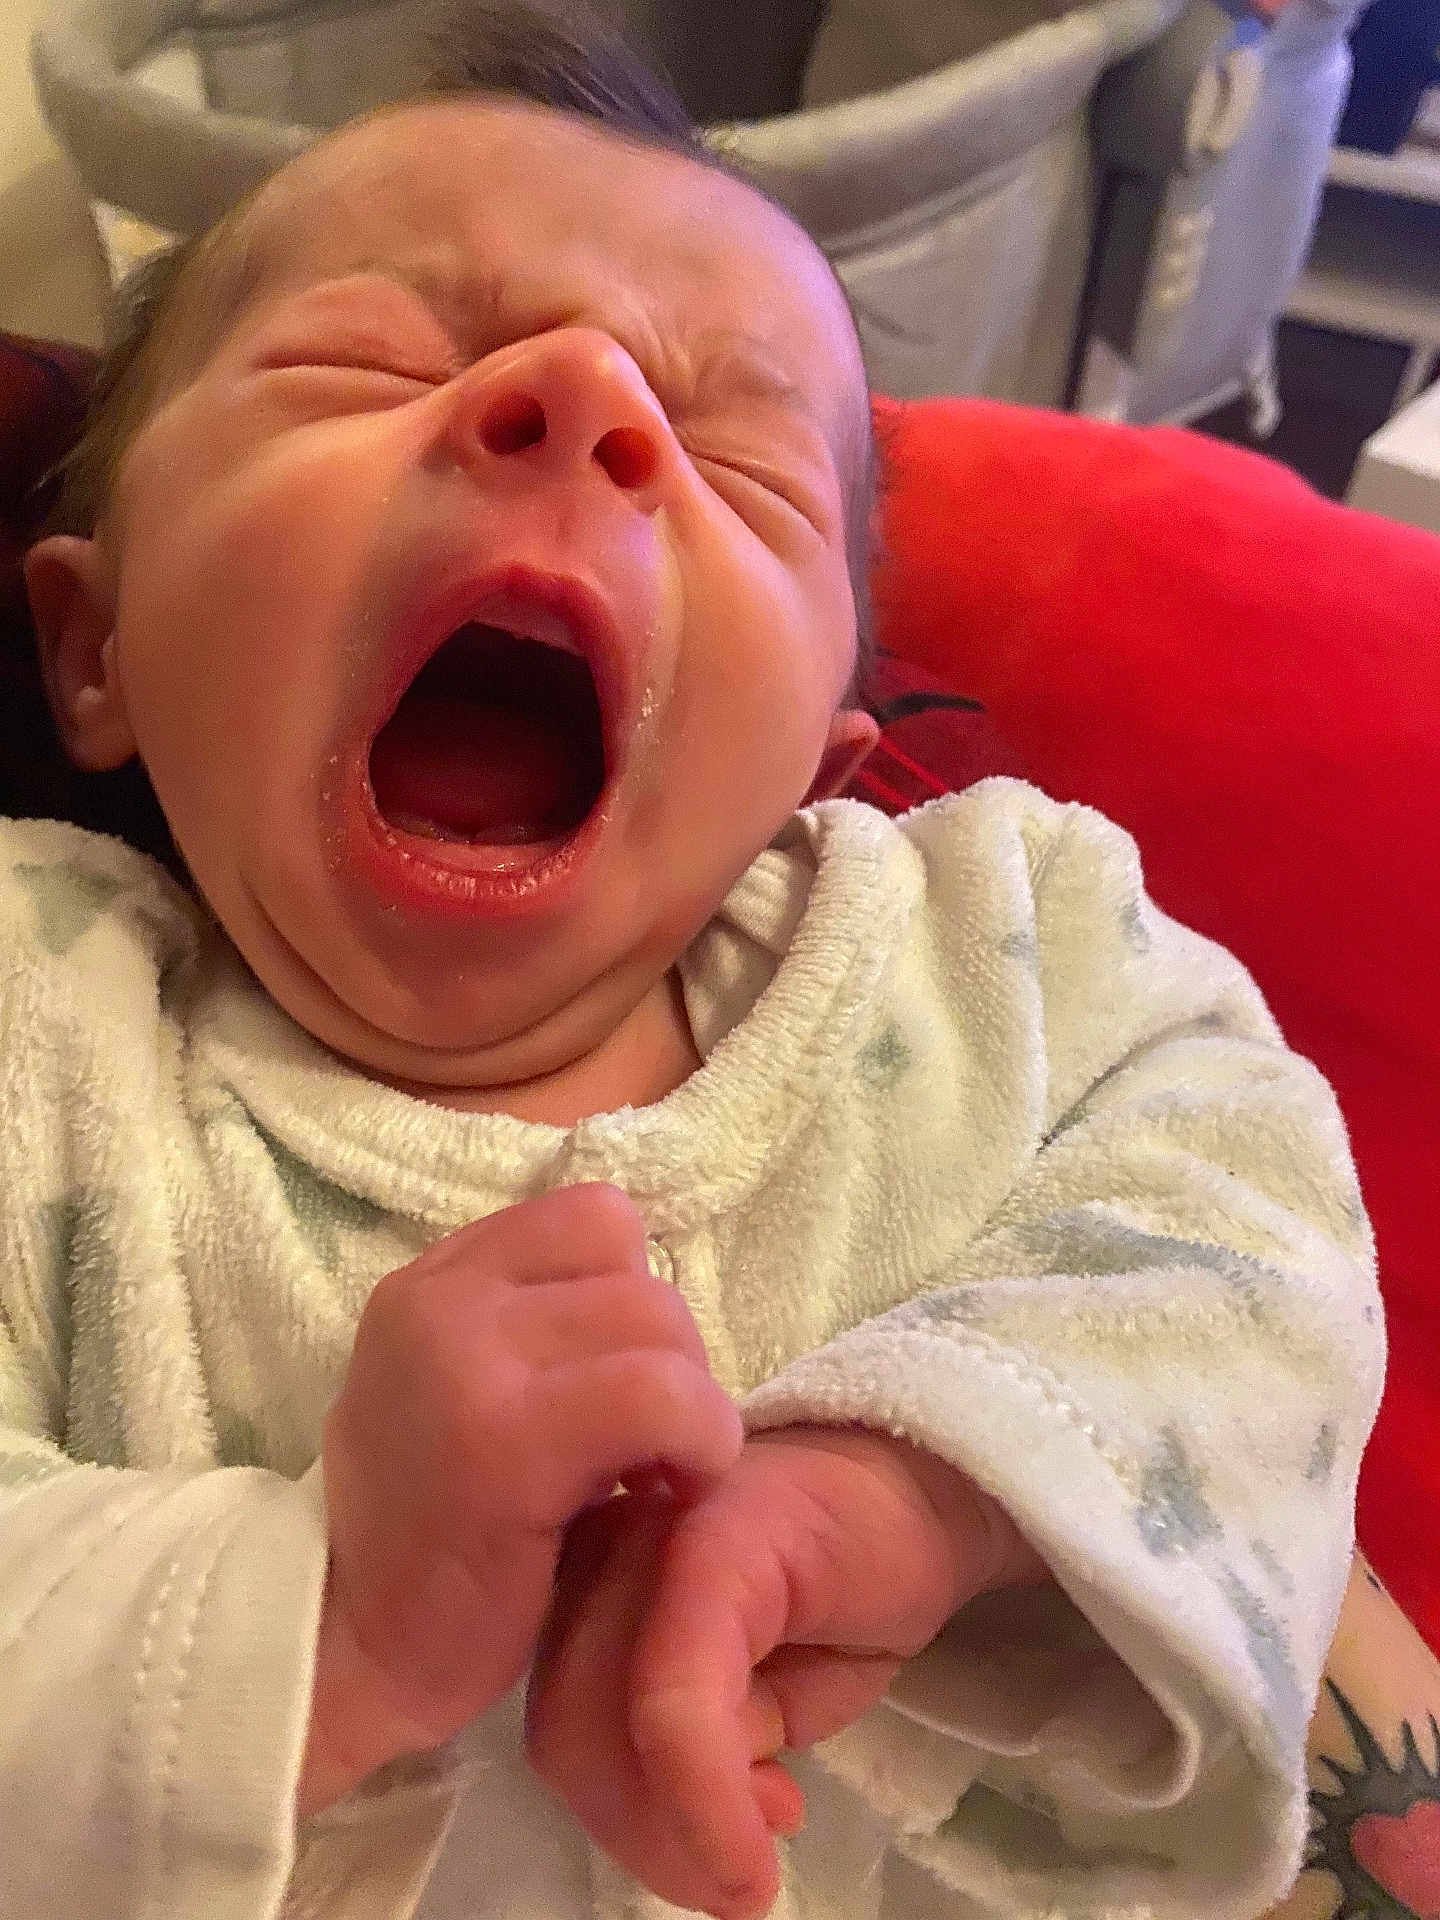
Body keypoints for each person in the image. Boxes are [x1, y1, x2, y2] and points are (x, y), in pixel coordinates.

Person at [0, 7, 1387, 1918]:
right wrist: (315, 1621)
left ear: (820, 765)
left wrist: (929, 1489)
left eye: (743, 465)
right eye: (370, 360)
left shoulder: (994, 945)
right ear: (96, 648)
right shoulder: (40, 1014)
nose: (583, 397)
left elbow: (1258, 1235)